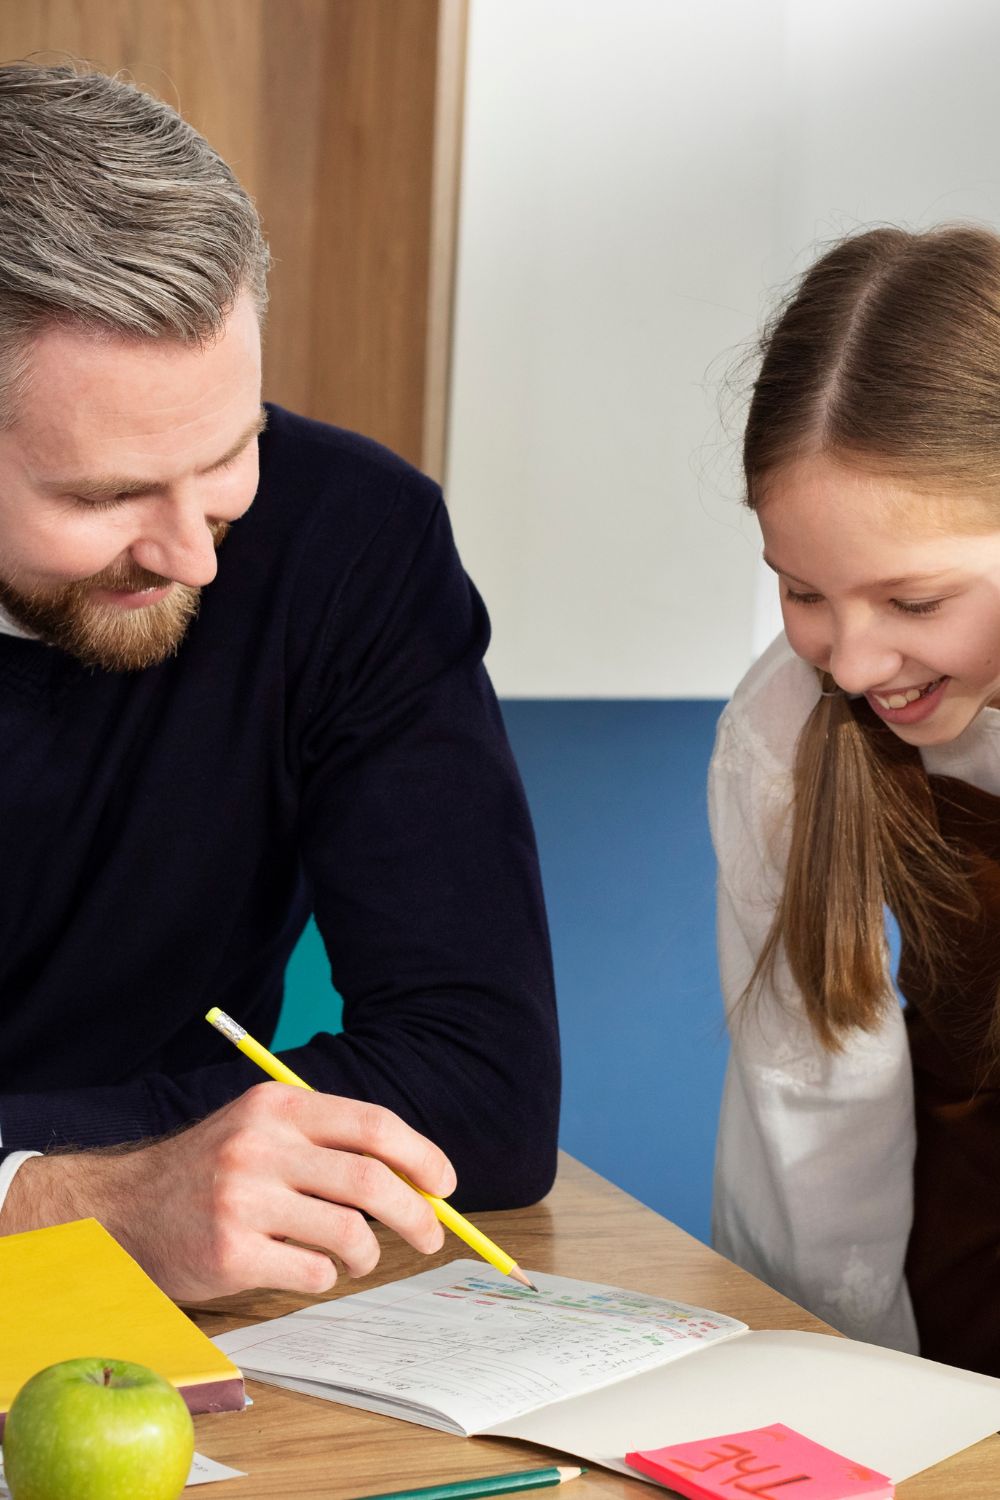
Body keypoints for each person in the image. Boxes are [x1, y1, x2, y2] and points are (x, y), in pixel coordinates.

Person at [0, 63, 560, 1301]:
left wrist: (132, 1186)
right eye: (103, 497)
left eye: (230, 450)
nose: (196, 553)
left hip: (201, 1328)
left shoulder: (353, 537)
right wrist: (71, 1197)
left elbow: (483, 1088)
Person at [710, 223, 1000, 1378]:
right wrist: (836, 1388)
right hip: (945, 1281)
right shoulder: (779, 739)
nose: (856, 660)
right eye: (802, 592)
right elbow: (806, 1120)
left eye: (916, 600)